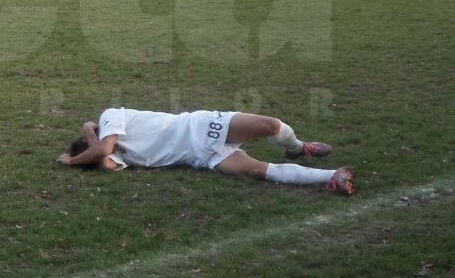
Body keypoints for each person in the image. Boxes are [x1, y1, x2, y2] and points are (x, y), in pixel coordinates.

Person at [58, 107, 355, 195]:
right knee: (259, 170)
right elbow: (106, 161)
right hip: (201, 157)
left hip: (201, 127)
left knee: (270, 125)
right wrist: (79, 159)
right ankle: (332, 176)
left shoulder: (109, 116)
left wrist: (83, 140)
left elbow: (102, 148)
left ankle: (298, 147)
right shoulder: (114, 154)